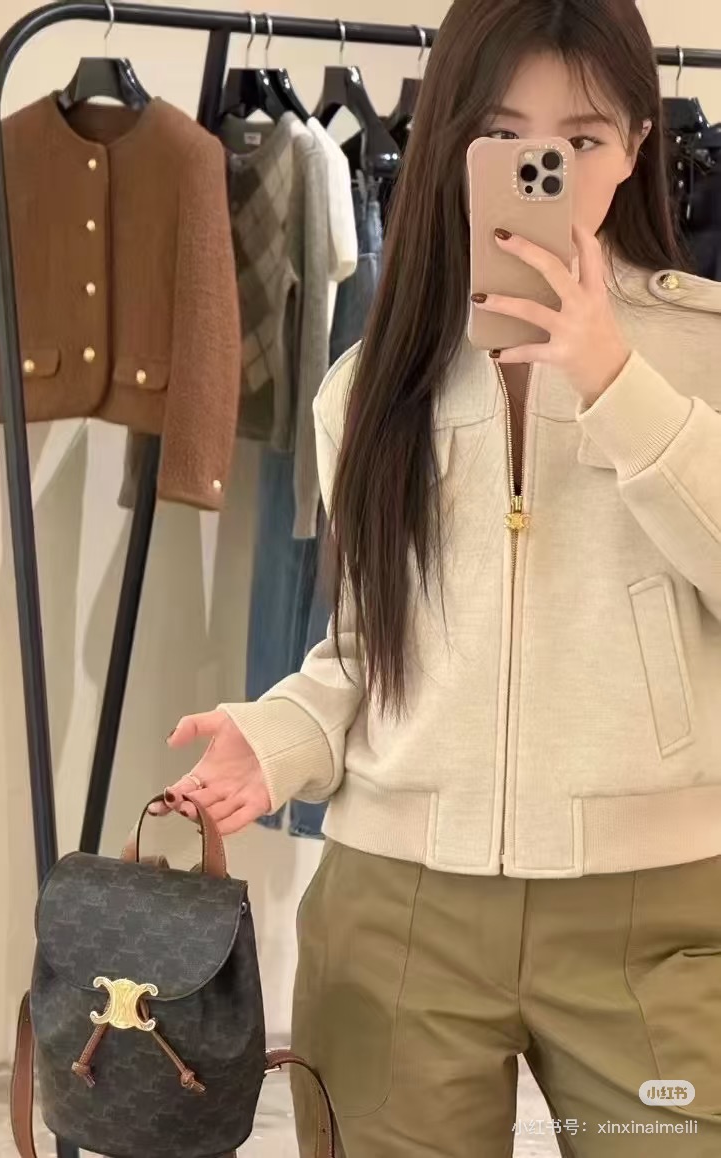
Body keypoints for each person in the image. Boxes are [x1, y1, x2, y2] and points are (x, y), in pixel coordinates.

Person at [155, 0, 721, 1153]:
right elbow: (369, 648)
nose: (543, 164)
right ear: (452, 143)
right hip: (397, 913)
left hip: (658, 915)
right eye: (504, 135)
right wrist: (280, 737)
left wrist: (615, 383)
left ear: (635, 148)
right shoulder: (369, 384)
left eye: (582, 137)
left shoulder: (706, 349)